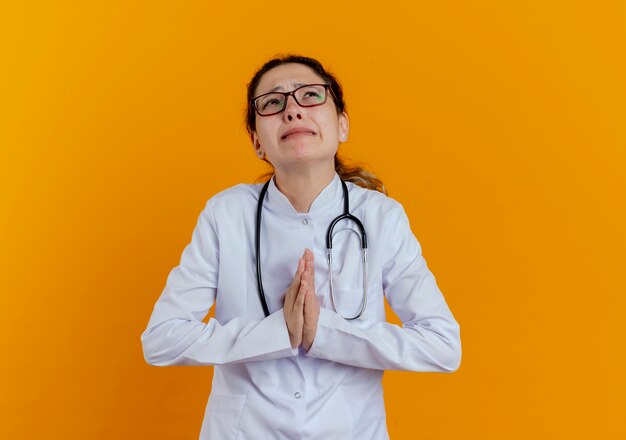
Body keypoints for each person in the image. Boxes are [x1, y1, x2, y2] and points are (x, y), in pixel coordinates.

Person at [141, 54, 461, 439]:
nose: (292, 110)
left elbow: (443, 346)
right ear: (258, 142)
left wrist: (323, 334)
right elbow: (161, 340)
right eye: (273, 103)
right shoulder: (226, 213)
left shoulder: (381, 218)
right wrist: (276, 333)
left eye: (310, 95)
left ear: (341, 125)